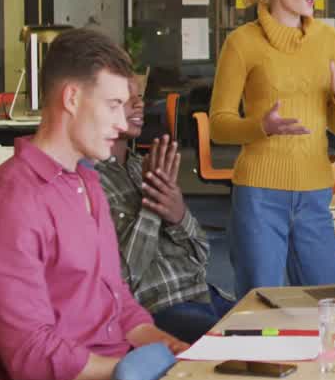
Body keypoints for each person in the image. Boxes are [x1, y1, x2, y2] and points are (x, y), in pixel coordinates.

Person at [0, 29, 186, 380]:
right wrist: (133, 367)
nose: (123, 121)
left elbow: (120, 306)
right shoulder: (8, 206)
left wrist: (172, 349)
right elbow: (34, 358)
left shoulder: (86, 182)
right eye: (113, 105)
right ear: (72, 99)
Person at [210, 0, 335, 297]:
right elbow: (219, 125)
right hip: (260, 193)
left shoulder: (328, 39)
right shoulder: (242, 43)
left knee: (329, 301)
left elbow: (334, 125)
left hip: (315, 190)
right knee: (258, 302)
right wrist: (260, 126)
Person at [96, 76, 234, 344]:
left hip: (204, 293)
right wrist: (151, 209)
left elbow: (202, 254)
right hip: (160, 309)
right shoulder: (91, 182)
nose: (140, 105)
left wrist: (178, 214)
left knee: (277, 328)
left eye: (140, 97)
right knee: (247, 347)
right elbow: (122, 280)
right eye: (127, 98)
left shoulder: (141, 167)